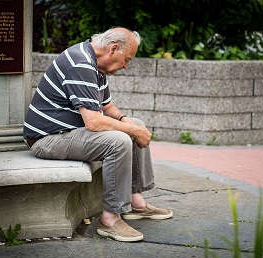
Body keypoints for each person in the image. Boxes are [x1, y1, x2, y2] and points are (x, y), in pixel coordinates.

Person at [23, 27, 173, 242]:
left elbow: (108, 106)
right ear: (113, 49)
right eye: (126, 59)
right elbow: (93, 122)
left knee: (134, 124)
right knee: (120, 140)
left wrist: (126, 121)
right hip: (47, 139)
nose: (126, 66)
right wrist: (132, 131)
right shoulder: (80, 62)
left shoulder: (95, 64)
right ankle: (110, 219)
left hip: (70, 132)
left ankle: (135, 200)